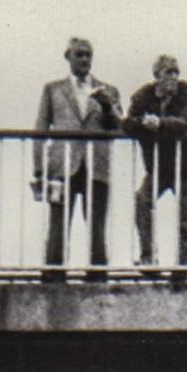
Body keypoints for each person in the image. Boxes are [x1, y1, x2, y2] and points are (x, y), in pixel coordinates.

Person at [33, 37, 121, 279]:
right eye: (79, 54)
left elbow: (119, 128)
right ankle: (52, 280)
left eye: (88, 55)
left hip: (97, 165)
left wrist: (106, 106)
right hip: (62, 166)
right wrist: (40, 170)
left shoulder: (108, 90)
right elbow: (40, 129)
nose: (84, 59)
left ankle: (97, 280)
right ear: (68, 57)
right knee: (58, 226)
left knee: (97, 227)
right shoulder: (52, 89)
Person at [127, 54, 187, 275]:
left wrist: (159, 123)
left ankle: (182, 267)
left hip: (186, 167)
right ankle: (148, 258)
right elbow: (128, 123)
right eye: (169, 72)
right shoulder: (143, 95)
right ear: (157, 75)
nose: (174, 77)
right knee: (142, 200)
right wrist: (142, 123)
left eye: (176, 72)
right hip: (158, 167)